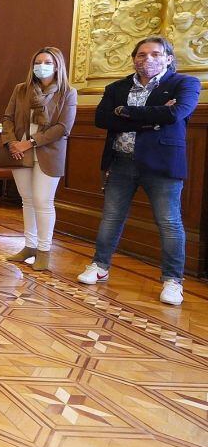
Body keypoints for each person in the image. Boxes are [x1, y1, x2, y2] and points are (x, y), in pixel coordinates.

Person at [78, 36, 200, 305]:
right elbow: (102, 119)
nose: (148, 59)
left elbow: (173, 115)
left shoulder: (184, 84)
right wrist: (149, 118)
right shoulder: (116, 87)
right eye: (141, 55)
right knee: (111, 217)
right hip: (121, 161)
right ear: (134, 58)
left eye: (155, 54)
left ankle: (172, 280)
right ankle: (99, 265)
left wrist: (125, 113)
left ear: (168, 58)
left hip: (162, 165)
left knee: (169, 223)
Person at [1, 47, 77, 272]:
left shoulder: (67, 93)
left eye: (47, 62)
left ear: (57, 66)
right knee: (27, 200)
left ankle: (44, 251)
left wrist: (30, 142)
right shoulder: (21, 90)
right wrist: (13, 142)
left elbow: (63, 128)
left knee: (43, 202)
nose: (41, 65)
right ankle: (30, 246)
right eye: (38, 61)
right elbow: (8, 117)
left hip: (47, 153)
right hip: (19, 153)